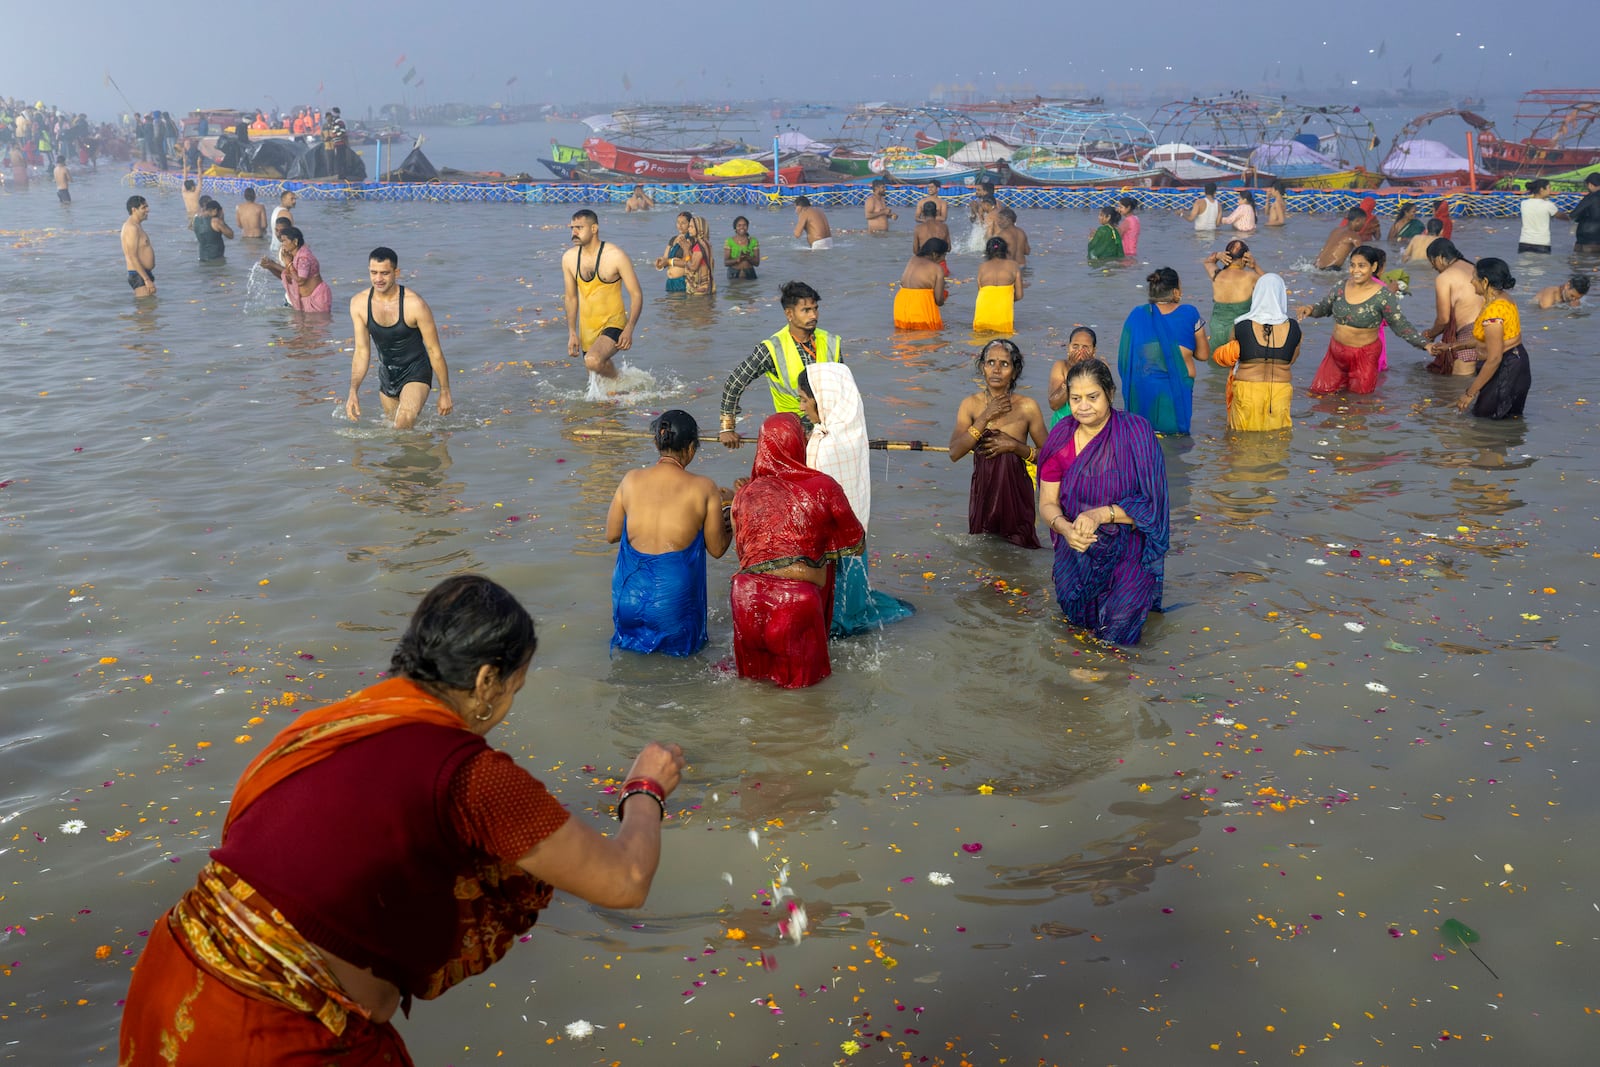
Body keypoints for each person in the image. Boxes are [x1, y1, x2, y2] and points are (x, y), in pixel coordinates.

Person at [118, 574, 687, 1066]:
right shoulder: (470, 776)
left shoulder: (322, 728)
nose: (506, 706)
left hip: (172, 980)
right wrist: (645, 788)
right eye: (513, 689)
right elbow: (624, 880)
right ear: (486, 681)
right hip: (266, 1028)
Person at [1037, 358, 1169, 646]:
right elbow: (1047, 503)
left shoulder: (1137, 433)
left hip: (1128, 552)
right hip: (1077, 553)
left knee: (1117, 635)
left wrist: (1101, 514)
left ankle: (1111, 681)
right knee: (1077, 630)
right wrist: (1065, 528)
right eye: (1075, 398)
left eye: (1092, 397)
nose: (1083, 406)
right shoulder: (1060, 439)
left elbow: (1153, 507)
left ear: (1110, 393)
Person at [729, 414, 865, 688]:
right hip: (795, 600)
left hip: (745, 594)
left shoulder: (745, 493)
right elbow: (855, 541)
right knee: (804, 699)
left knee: (753, 687)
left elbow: (743, 552)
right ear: (798, 445)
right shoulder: (823, 487)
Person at [797, 363, 915, 636]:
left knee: (833, 605)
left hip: (831, 539)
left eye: (804, 399)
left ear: (822, 400)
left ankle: (835, 619)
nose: (802, 407)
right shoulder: (851, 430)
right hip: (856, 531)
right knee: (851, 588)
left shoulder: (823, 443)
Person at [605, 410, 732, 656]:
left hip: (628, 597)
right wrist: (732, 515)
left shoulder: (630, 479)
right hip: (672, 601)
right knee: (680, 677)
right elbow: (717, 549)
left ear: (656, 443)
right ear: (692, 448)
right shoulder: (705, 488)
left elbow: (611, 534)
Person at [948, 339, 1047, 549]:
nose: (996, 369)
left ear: (1014, 370)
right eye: (990, 362)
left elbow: (1050, 457)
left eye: (1004, 364)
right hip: (983, 492)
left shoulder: (1027, 407)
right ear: (982, 367)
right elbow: (955, 452)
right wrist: (985, 417)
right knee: (984, 552)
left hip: (1017, 495)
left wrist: (1015, 446)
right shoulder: (971, 405)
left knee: (1020, 551)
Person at [719, 281, 842, 446]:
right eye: (806, 310)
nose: (813, 316)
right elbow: (734, 383)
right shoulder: (771, 349)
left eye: (815, 309)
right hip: (793, 436)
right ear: (789, 314)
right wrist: (727, 428)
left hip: (831, 433)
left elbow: (845, 392)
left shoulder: (831, 342)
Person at [1296, 245, 1432, 395]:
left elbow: (1400, 324)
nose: (1355, 271)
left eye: (1361, 266)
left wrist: (1425, 345)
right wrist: (1310, 309)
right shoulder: (1341, 287)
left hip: (1364, 356)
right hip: (1335, 353)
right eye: (1352, 265)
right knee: (1320, 394)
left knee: (1359, 403)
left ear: (1373, 267)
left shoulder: (1383, 296)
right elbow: (1324, 307)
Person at [347, 246, 454, 428]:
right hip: (387, 374)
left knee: (402, 422)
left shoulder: (415, 305)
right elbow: (362, 352)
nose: (378, 279)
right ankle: (430, 448)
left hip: (416, 371)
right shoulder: (359, 304)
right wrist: (353, 391)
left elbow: (434, 351)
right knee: (400, 435)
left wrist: (445, 391)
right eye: (374, 273)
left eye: (384, 273)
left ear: (396, 272)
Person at [1432, 258, 1531, 419]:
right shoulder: (1503, 298)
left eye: (1474, 277)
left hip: (1506, 368)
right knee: (1503, 422)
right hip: (1516, 361)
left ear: (1485, 282)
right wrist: (1452, 346)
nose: (1471, 282)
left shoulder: (1494, 312)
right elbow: (1490, 341)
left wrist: (1469, 394)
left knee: (1485, 422)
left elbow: (1494, 358)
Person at [1117, 267, 1210, 434]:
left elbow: (1125, 361)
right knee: (1175, 445)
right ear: (1175, 292)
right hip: (1175, 394)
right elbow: (1203, 355)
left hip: (1143, 394)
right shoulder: (1189, 313)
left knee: (1145, 441)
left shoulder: (1137, 315)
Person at [1211, 273, 1301, 431]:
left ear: (1257, 295)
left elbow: (1232, 355)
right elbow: (1291, 360)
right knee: (1276, 445)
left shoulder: (1241, 326)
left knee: (1242, 442)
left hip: (1248, 390)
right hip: (1279, 392)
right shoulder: (1294, 328)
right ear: (1281, 296)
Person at [562, 209, 644, 380]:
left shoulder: (615, 256)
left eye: (579, 227)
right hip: (587, 329)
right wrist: (571, 332)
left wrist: (629, 329)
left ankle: (619, 381)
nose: (574, 232)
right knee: (598, 383)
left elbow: (636, 294)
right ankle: (624, 388)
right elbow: (571, 297)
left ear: (594, 229)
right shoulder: (569, 258)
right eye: (572, 228)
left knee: (592, 360)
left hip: (614, 323)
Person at [1421, 238, 1485, 376]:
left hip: (1469, 334)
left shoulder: (1445, 277)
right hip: (1491, 331)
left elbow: (1443, 319)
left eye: (1432, 262)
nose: (1434, 267)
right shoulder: (1474, 267)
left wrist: (1429, 335)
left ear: (1439, 258)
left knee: (1456, 388)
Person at [1203, 239, 1261, 347]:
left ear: (1226, 256)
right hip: (1239, 334)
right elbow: (1272, 284)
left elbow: (1208, 262)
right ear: (1245, 258)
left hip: (1217, 332)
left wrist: (1217, 256)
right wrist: (1255, 266)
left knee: (1219, 360)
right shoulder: (1251, 277)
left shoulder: (1217, 276)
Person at [1047, 326, 1099, 425]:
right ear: (1068, 348)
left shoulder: (1100, 367)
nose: (1079, 351)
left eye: (1085, 348)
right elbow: (1054, 404)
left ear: (1094, 351)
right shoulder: (1061, 366)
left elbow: (1105, 404)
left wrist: (1086, 369)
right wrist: (1073, 372)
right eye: (1075, 346)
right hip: (1063, 426)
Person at [973, 236, 1023, 334]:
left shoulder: (982, 267)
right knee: (1004, 339)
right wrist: (1004, 299)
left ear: (987, 252)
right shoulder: (1014, 266)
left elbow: (981, 291)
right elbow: (1019, 295)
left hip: (982, 310)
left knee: (980, 339)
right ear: (1005, 251)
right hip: (1003, 313)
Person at [894, 237, 947, 330]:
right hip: (919, 305)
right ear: (935, 254)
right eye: (944, 255)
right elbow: (939, 301)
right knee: (926, 339)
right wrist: (944, 295)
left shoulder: (912, 260)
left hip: (901, 304)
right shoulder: (937, 268)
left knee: (904, 339)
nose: (943, 259)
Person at [278, 226, 332, 313]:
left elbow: (301, 281)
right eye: (281, 241)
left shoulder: (304, 257)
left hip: (317, 298)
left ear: (295, 241)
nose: (282, 244)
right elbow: (290, 275)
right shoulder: (296, 255)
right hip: (307, 299)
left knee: (320, 325)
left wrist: (288, 263)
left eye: (284, 241)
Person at [1517, 179, 1565, 254]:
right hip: (1542, 243)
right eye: (1549, 188)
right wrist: (1571, 218)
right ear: (1542, 189)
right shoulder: (1548, 204)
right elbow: (1560, 216)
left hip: (1524, 242)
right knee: (1542, 265)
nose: (1550, 190)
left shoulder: (1524, 203)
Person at [121, 195, 156, 297]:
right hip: (139, 275)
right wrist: (146, 279)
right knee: (145, 309)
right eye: (144, 207)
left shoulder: (136, 225)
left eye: (147, 207)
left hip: (142, 274)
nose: (148, 210)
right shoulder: (132, 228)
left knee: (150, 309)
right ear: (134, 210)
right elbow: (132, 256)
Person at [654, 212, 694, 293]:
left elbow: (688, 263)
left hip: (682, 281)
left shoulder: (691, 240)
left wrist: (669, 262)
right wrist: (660, 264)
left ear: (690, 224)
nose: (680, 225)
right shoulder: (673, 239)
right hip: (670, 282)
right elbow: (665, 258)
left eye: (683, 223)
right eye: (678, 222)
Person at [684, 216, 716, 296]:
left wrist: (686, 250)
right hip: (706, 285)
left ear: (699, 228)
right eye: (689, 227)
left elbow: (693, 267)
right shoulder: (705, 243)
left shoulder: (699, 246)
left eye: (691, 227)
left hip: (700, 288)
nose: (689, 229)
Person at [1571, 171, 1600, 254]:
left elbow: (1574, 214)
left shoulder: (1591, 197)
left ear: (1590, 184)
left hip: (1586, 237)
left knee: (1581, 264)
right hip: (1597, 240)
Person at [724, 215, 760, 280]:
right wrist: (737, 259)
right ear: (735, 227)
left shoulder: (754, 241)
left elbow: (757, 263)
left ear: (747, 227)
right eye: (739, 225)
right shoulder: (729, 241)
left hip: (749, 273)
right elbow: (726, 262)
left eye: (744, 225)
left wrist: (748, 257)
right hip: (734, 273)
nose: (742, 227)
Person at [322, 107, 349, 179]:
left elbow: (340, 133)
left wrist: (332, 137)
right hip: (334, 144)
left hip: (339, 143)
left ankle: (341, 175)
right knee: (337, 160)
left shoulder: (337, 122)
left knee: (340, 160)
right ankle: (339, 175)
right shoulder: (329, 125)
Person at [268, 189, 296, 258]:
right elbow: (291, 235)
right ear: (283, 199)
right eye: (291, 199)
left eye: (295, 199)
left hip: (273, 247)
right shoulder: (286, 213)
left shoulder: (276, 209)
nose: (294, 201)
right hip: (282, 250)